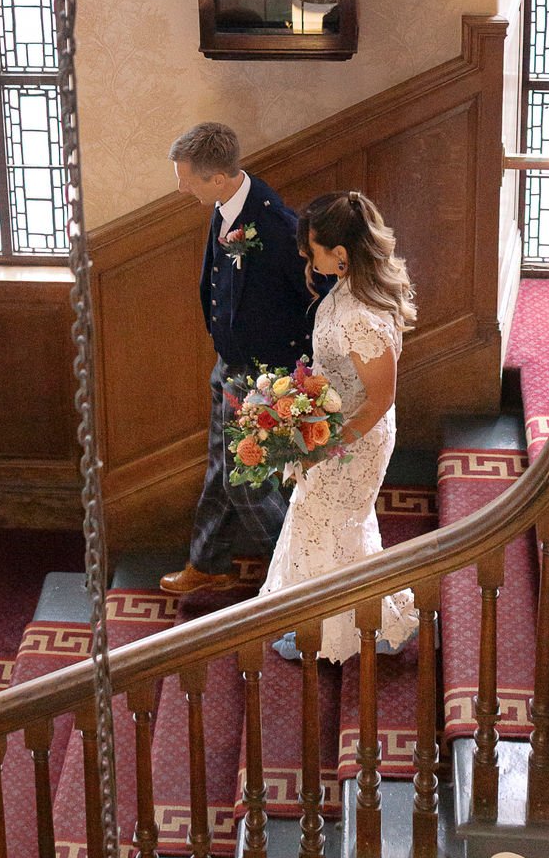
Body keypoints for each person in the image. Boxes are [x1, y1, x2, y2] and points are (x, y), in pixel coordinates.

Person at [260, 191, 418, 663]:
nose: (307, 255)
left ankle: (342, 632)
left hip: (356, 439)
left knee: (328, 524)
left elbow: (379, 399)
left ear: (342, 255)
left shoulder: (363, 318)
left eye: (314, 248)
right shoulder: (347, 292)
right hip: (334, 428)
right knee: (334, 525)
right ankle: (370, 620)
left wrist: (324, 448)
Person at [163, 123, 316, 598]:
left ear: (219, 178)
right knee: (219, 468)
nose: (180, 186)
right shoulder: (223, 208)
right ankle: (209, 563)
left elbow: (317, 299)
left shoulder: (276, 226)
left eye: (187, 178)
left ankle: (295, 574)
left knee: (244, 482)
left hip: (264, 377)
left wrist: (290, 376)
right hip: (228, 365)